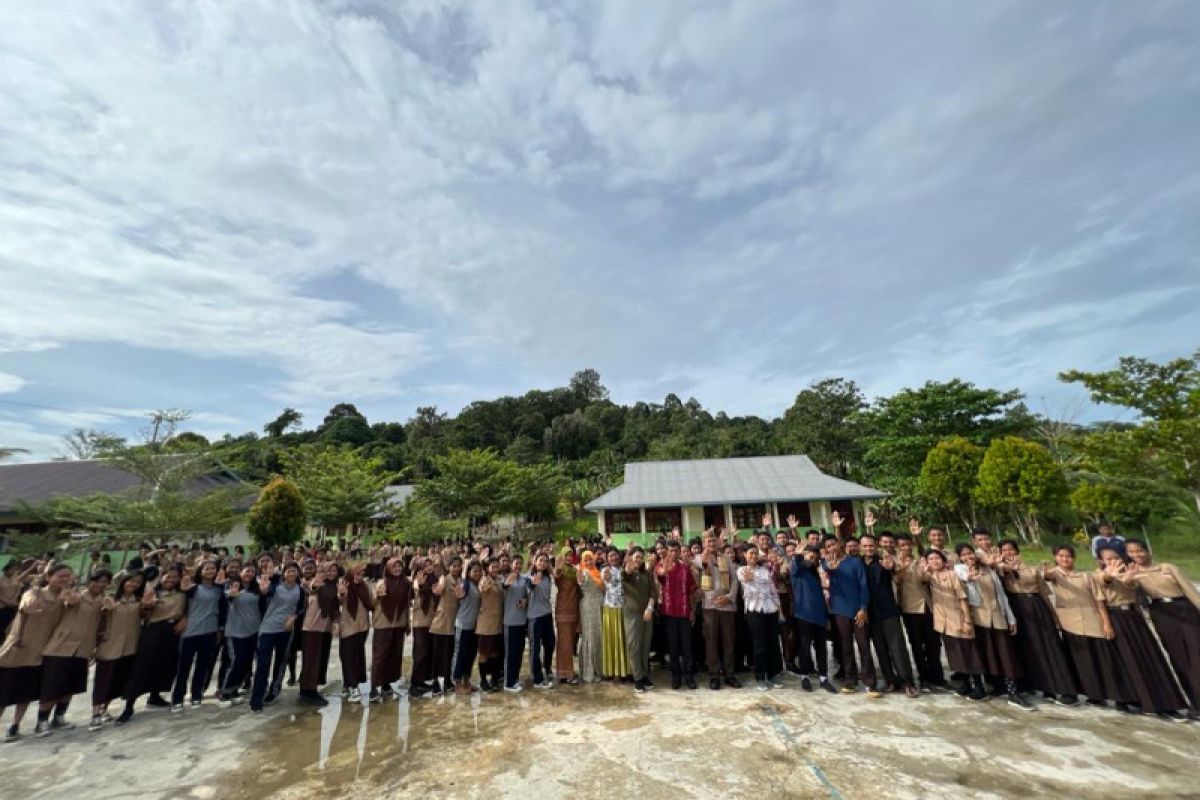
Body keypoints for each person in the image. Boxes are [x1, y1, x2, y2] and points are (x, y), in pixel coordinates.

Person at [1097, 548, 1188, 720]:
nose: (1113, 561)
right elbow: (1102, 592)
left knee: (1152, 658)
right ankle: (1147, 704)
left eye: (1116, 557)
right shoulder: (1098, 575)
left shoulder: (1131, 573)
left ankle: (1169, 703)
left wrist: (1129, 579)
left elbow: (1137, 592)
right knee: (1130, 660)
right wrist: (1107, 624)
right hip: (1117, 619)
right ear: (1101, 561)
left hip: (1135, 618)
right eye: (1108, 559)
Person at [1122, 538, 1200, 721]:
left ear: (1147, 550)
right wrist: (1128, 580)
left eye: (1139, 551)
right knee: (1179, 658)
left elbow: (1189, 590)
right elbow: (1130, 589)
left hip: (1184, 609)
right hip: (1161, 614)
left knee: (1197, 654)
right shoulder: (1133, 573)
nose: (1136, 555)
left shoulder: (1167, 568)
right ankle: (1196, 705)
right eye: (1132, 552)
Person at [995, 540, 1077, 704]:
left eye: (1011, 549)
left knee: (1049, 646)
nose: (1008, 553)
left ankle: (1062, 688)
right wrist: (1006, 567)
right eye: (1004, 551)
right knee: (1026, 648)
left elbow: (1044, 593)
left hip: (1036, 606)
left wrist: (1053, 615)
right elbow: (999, 571)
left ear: (1017, 551)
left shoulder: (1032, 569)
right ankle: (1033, 684)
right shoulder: (999, 571)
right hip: (1016, 608)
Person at [1043, 544, 1126, 708]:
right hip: (1069, 622)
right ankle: (1073, 693)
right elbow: (1047, 576)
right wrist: (1046, 571)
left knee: (1101, 660)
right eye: (1060, 556)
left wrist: (1106, 624)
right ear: (1055, 558)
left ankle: (1104, 695)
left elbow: (1099, 601)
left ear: (1074, 558)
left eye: (1068, 556)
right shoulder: (1056, 575)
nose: (1064, 559)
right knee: (1076, 660)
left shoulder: (1086, 576)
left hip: (1092, 620)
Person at [0, 564, 72, 742]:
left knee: (25, 693)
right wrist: (26, 607)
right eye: (60, 576)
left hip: (39, 653)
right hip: (17, 649)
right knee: (3, 691)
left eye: (67, 577)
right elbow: (26, 604)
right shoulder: (35, 593)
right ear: (48, 577)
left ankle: (15, 726)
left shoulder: (65, 598)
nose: (64, 580)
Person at [953, 544, 1029, 710]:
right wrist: (969, 578)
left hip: (998, 617)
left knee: (1006, 655)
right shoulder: (959, 570)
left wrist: (1010, 618)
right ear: (959, 558)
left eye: (970, 553)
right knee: (979, 655)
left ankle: (1012, 692)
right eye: (964, 555)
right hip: (978, 618)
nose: (968, 557)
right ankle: (980, 688)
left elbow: (1001, 595)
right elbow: (962, 580)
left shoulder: (990, 571)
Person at [37, 569, 109, 735]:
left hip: (83, 648)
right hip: (61, 647)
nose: (100, 584)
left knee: (71, 685)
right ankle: (42, 720)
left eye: (104, 582)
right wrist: (68, 596)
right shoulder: (76, 596)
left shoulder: (104, 602)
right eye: (97, 580)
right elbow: (65, 601)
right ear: (89, 581)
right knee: (52, 686)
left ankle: (59, 717)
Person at [118, 567, 186, 723]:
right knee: (142, 666)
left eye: (175, 577)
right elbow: (141, 613)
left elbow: (189, 608)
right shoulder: (150, 592)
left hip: (172, 631)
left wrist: (185, 618)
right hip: (153, 630)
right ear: (161, 577)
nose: (171, 580)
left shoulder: (183, 594)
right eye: (168, 576)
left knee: (164, 665)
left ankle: (155, 696)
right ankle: (129, 705)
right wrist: (148, 605)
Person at [920, 550, 986, 701]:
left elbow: (962, 597)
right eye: (931, 559)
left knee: (969, 653)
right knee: (955, 654)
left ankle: (978, 686)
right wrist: (925, 570)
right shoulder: (931, 577)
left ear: (943, 561)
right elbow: (923, 579)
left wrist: (967, 620)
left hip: (958, 617)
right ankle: (965, 684)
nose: (934, 561)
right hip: (943, 621)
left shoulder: (952, 575)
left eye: (937, 558)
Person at [860, 536, 917, 698]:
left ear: (875, 546)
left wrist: (892, 567)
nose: (869, 548)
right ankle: (890, 680)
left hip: (888, 610)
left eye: (871, 545)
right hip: (870, 612)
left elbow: (896, 573)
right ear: (861, 547)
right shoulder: (859, 563)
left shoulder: (884, 560)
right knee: (881, 648)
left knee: (897, 647)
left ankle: (907, 682)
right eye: (865, 545)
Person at [91, 570, 145, 730]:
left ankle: (104, 709)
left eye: (137, 582)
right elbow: (99, 620)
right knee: (103, 680)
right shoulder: (110, 599)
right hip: (110, 646)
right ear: (123, 582)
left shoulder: (138, 601)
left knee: (116, 680)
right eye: (131, 581)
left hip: (129, 646)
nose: (133, 584)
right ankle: (95, 713)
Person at [823, 537, 877, 697]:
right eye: (828, 546)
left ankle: (870, 682)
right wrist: (830, 568)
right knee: (845, 647)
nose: (831, 547)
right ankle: (850, 680)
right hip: (840, 611)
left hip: (858, 611)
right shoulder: (826, 564)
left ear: (840, 544)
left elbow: (863, 585)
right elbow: (825, 574)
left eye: (833, 544)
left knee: (864, 646)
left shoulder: (855, 562)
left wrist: (863, 608)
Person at [249, 563, 305, 713]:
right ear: (284, 573)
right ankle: (256, 699)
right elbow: (265, 592)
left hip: (286, 631)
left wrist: (293, 618)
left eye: (295, 571)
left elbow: (301, 608)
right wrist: (264, 588)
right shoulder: (276, 587)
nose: (292, 573)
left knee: (280, 663)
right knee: (262, 665)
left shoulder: (300, 590)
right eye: (289, 570)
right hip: (267, 629)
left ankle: (274, 691)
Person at [171, 560, 227, 712]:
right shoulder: (192, 588)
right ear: (200, 571)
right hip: (190, 632)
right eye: (207, 568)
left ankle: (197, 695)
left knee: (202, 667)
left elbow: (221, 611)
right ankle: (177, 698)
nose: (210, 571)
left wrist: (220, 630)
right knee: (184, 667)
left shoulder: (219, 590)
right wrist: (182, 618)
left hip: (209, 632)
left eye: (213, 568)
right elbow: (181, 606)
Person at [894, 533, 944, 691]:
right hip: (910, 609)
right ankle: (923, 678)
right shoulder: (894, 563)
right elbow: (897, 581)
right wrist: (902, 566)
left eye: (908, 545)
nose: (906, 548)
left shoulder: (921, 561)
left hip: (928, 607)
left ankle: (938, 677)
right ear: (897, 547)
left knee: (934, 644)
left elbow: (926, 579)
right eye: (902, 546)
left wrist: (925, 570)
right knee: (917, 645)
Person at [790, 544, 835, 693]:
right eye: (810, 556)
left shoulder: (815, 573)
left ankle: (823, 677)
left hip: (820, 617)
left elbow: (821, 597)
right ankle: (805, 676)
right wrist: (798, 555)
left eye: (815, 558)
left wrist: (826, 617)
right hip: (803, 616)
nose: (812, 560)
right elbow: (796, 565)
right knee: (804, 647)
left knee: (822, 648)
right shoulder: (798, 571)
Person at [737, 546, 783, 691]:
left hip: (770, 609)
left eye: (756, 553)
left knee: (773, 643)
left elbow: (772, 590)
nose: (753, 556)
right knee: (759, 644)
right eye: (750, 553)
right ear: (745, 555)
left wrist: (779, 609)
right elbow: (747, 581)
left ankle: (773, 674)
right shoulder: (742, 569)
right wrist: (760, 580)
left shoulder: (764, 570)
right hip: (754, 610)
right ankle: (760, 676)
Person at [697, 534, 739, 690]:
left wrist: (729, 597)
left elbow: (734, 579)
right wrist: (705, 559)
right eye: (708, 541)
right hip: (709, 606)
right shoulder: (698, 558)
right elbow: (700, 569)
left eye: (713, 540)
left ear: (718, 542)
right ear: (703, 543)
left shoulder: (726, 558)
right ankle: (714, 675)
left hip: (727, 605)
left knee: (728, 640)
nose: (711, 543)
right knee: (711, 641)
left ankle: (729, 674)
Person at [655, 541, 697, 690]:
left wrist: (692, 610)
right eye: (670, 551)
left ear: (680, 552)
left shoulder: (686, 569)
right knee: (673, 646)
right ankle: (676, 676)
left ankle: (689, 676)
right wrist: (665, 570)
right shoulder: (661, 566)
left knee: (687, 646)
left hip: (684, 612)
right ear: (666, 552)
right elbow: (659, 575)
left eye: (676, 551)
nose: (673, 553)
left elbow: (692, 590)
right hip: (669, 613)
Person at [298, 562, 341, 706]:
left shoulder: (334, 586)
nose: (331, 573)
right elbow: (311, 588)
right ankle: (308, 691)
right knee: (311, 659)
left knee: (320, 659)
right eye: (328, 570)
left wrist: (335, 621)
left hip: (325, 627)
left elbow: (335, 606)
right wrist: (314, 585)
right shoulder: (315, 583)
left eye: (334, 571)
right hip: (311, 627)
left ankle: (311, 688)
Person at [370, 556, 411, 702]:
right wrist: (378, 595)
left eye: (399, 566)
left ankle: (386, 685)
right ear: (388, 568)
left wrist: (407, 623)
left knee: (394, 655)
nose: (397, 569)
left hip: (398, 624)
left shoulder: (406, 583)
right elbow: (372, 603)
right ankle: (374, 687)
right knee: (380, 656)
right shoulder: (382, 582)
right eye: (394, 567)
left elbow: (406, 604)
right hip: (383, 623)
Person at [218, 565, 261, 706]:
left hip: (253, 631)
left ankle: (234, 690)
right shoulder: (231, 586)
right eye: (247, 570)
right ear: (240, 572)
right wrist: (231, 594)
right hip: (235, 632)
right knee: (236, 661)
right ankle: (224, 693)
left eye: (253, 571)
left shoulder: (257, 589)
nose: (250, 573)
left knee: (246, 663)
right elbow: (227, 597)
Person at [337, 563, 373, 702]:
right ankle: (352, 686)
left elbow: (372, 602)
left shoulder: (365, 586)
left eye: (362, 573)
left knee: (357, 657)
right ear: (351, 573)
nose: (360, 575)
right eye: (357, 573)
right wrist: (341, 593)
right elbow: (338, 601)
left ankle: (349, 685)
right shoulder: (345, 585)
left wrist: (380, 596)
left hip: (362, 627)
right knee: (348, 657)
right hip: (348, 627)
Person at [621, 547, 656, 693]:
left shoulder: (646, 574)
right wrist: (629, 564)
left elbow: (653, 592)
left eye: (641, 558)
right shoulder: (625, 574)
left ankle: (644, 674)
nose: (639, 560)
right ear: (630, 558)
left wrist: (650, 607)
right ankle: (638, 678)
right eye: (636, 557)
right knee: (634, 646)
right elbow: (626, 573)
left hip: (647, 614)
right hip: (632, 614)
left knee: (645, 646)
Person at [429, 557, 462, 695]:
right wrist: (438, 590)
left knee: (449, 653)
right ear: (449, 567)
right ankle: (435, 681)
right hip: (441, 622)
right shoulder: (445, 578)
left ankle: (447, 680)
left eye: (458, 566)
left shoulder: (461, 581)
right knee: (437, 653)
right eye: (453, 566)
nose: (456, 568)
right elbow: (439, 590)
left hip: (454, 622)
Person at [451, 561, 483, 695]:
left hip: (474, 626)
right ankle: (457, 683)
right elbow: (461, 595)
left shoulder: (478, 585)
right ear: (469, 572)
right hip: (463, 624)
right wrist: (460, 595)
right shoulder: (466, 584)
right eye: (474, 571)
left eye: (479, 571)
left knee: (470, 654)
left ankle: (467, 681)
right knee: (460, 654)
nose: (477, 573)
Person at [409, 557, 438, 698]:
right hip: (420, 621)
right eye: (425, 565)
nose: (429, 567)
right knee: (420, 653)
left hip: (433, 621)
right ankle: (415, 684)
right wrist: (420, 586)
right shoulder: (417, 579)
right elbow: (416, 590)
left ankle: (422, 681)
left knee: (428, 652)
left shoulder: (434, 579)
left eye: (430, 564)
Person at [527, 553, 556, 689]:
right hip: (534, 617)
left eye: (545, 561)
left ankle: (548, 668)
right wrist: (533, 584)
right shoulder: (528, 576)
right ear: (534, 561)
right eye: (540, 560)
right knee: (535, 648)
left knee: (550, 644)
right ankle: (537, 678)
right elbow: (527, 591)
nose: (543, 563)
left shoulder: (547, 577)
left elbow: (546, 595)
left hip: (547, 614)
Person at [552, 548, 581, 685]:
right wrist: (557, 569)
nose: (569, 558)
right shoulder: (561, 570)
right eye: (567, 555)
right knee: (564, 642)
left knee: (569, 642)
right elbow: (557, 578)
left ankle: (563, 672)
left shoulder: (575, 570)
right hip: (563, 610)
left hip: (574, 609)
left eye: (571, 555)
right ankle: (566, 673)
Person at [476, 557, 505, 692]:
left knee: (494, 653)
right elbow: (482, 588)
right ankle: (483, 680)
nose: (495, 569)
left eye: (496, 566)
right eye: (493, 567)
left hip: (497, 624)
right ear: (488, 568)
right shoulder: (484, 580)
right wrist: (483, 586)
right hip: (485, 624)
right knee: (484, 653)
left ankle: (493, 679)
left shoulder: (498, 581)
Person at [501, 556, 530, 692]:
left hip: (521, 621)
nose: (518, 566)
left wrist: (525, 600)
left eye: (520, 564)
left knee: (519, 652)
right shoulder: (505, 578)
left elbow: (527, 595)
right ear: (511, 565)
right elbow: (504, 587)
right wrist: (508, 581)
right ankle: (508, 682)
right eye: (516, 563)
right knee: (510, 654)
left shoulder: (523, 579)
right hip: (509, 622)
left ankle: (515, 679)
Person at [601, 549, 630, 681]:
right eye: (610, 555)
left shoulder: (623, 569)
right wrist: (606, 574)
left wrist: (629, 554)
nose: (613, 557)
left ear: (619, 556)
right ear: (607, 558)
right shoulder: (606, 570)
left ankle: (626, 670)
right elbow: (606, 580)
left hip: (624, 608)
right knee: (613, 640)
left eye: (615, 555)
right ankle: (614, 671)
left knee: (623, 640)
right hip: (611, 609)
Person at [577, 551, 604, 683]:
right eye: (585, 560)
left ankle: (600, 669)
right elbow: (581, 581)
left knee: (599, 637)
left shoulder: (598, 572)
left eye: (590, 559)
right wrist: (580, 576)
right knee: (590, 637)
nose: (588, 562)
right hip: (588, 607)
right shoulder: (583, 572)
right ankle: (590, 671)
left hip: (600, 606)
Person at [0, 561, 23, 640]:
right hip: (2, 606)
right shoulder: (1, 579)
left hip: (13, 605)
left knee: (8, 624)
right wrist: (6, 602)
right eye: (11, 569)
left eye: (14, 569)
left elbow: (18, 589)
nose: (13, 571)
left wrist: (13, 600)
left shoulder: (15, 579)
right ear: (6, 570)